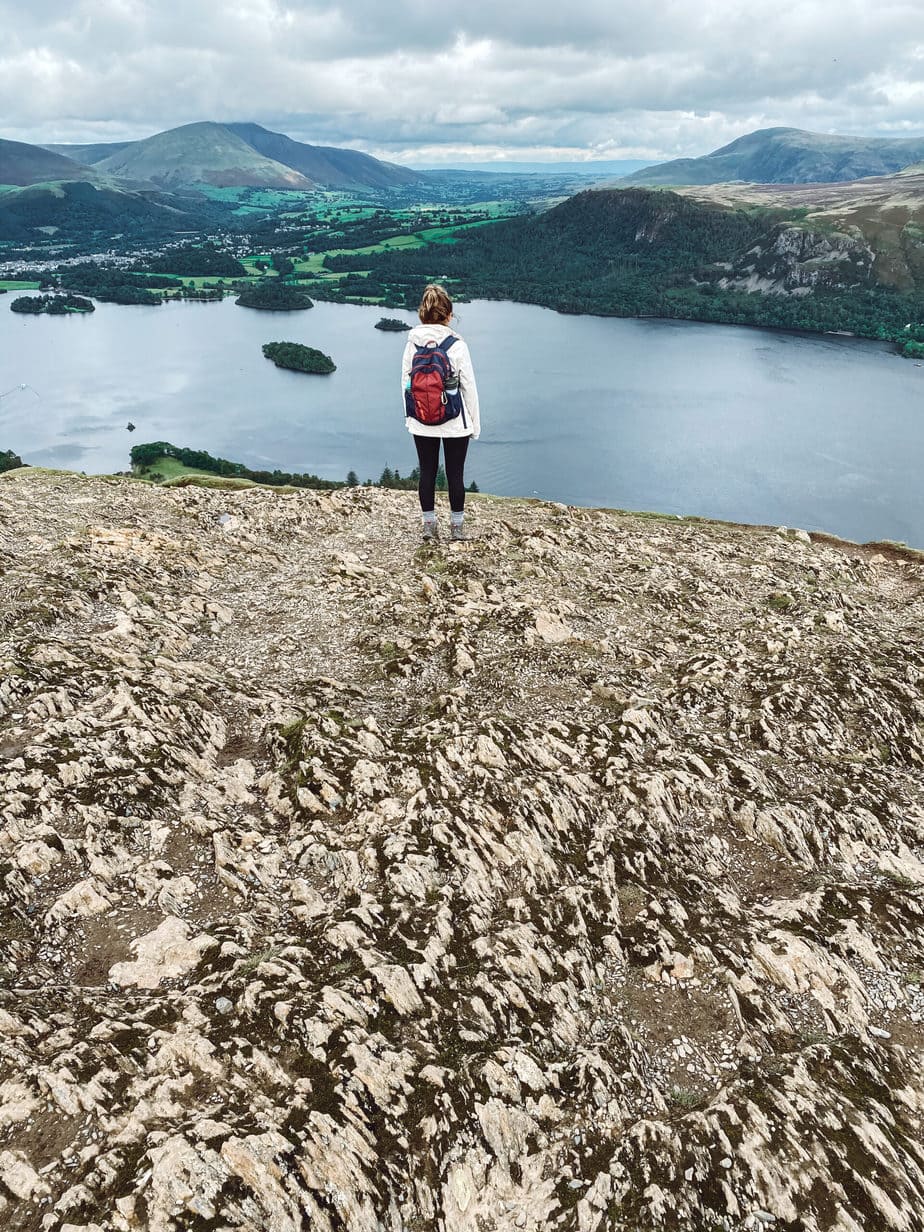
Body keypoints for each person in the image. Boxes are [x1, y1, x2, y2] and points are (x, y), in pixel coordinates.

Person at [402, 283, 480, 541]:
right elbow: (468, 387)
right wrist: (474, 426)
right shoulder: (456, 345)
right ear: (449, 314)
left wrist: (410, 417)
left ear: (421, 314)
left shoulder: (412, 344)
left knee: (427, 471)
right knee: (455, 473)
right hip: (454, 420)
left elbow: (406, 385)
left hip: (421, 420)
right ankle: (456, 530)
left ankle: (429, 526)